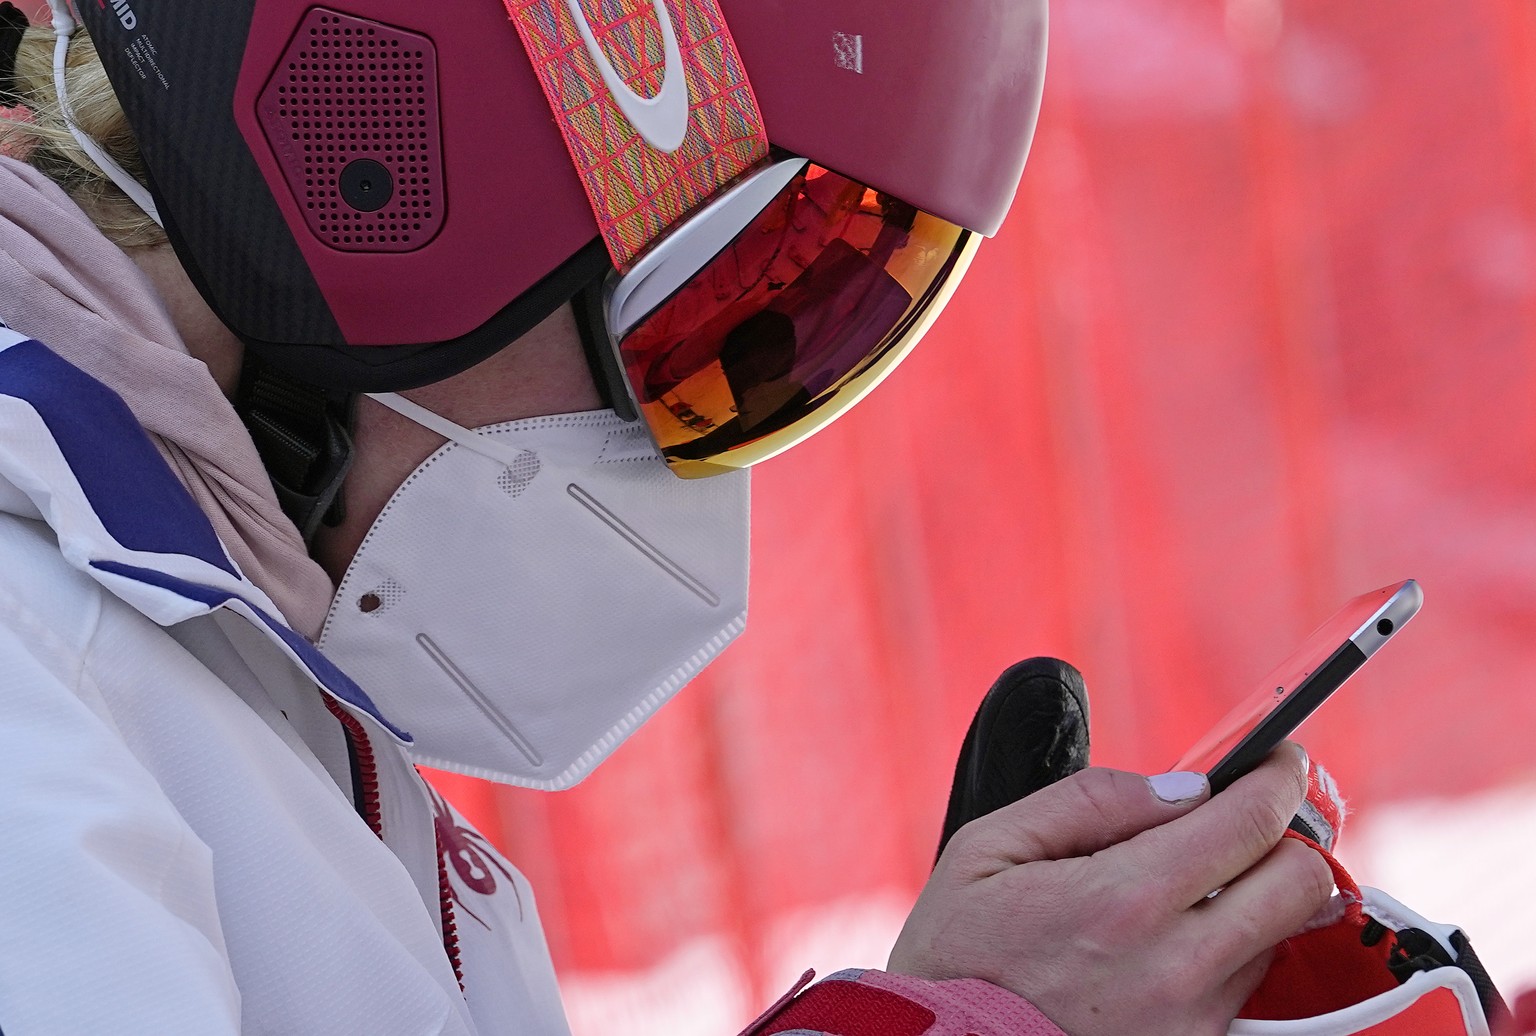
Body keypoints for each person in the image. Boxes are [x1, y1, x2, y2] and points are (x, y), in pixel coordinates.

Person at [0, 1, 1336, 1034]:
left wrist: (974, 996)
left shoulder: (197, 657)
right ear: (376, 168)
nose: (709, 449)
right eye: (728, 322)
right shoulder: (33, 677)